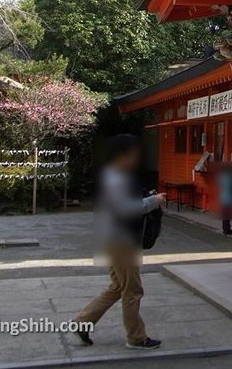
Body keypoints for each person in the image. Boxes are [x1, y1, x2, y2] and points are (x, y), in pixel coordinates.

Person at [71, 134, 165, 350]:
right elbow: (124, 209)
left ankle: (82, 322)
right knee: (133, 290)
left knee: (117, 287)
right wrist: (153, 201)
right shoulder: (115, 178)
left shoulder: (115, 175)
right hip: (121, 240)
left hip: (112, 237)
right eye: (133, 154)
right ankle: (136, 337)